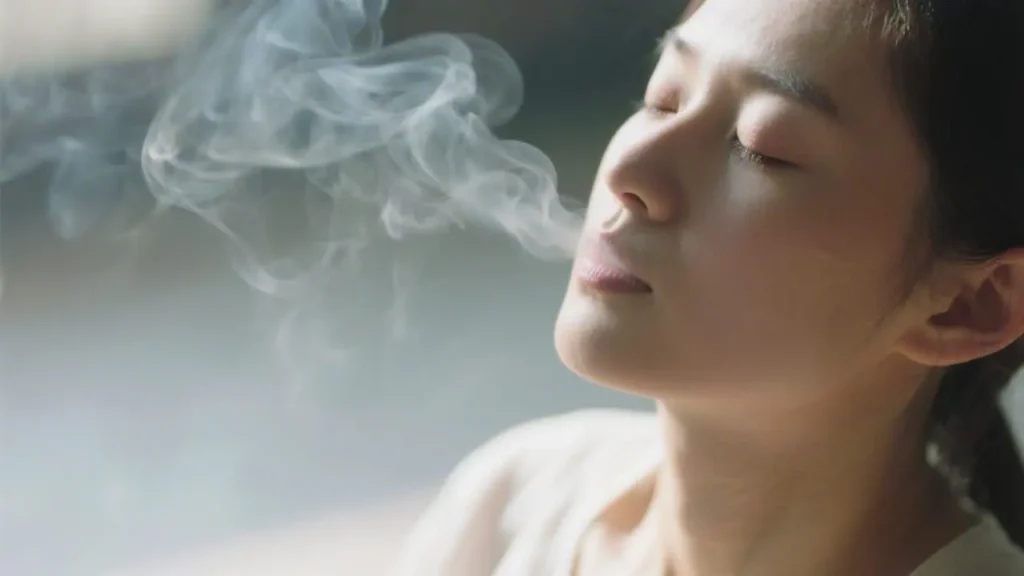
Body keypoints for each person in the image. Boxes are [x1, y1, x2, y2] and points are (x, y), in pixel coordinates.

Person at [394, 0, 1024, 574]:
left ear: (973, 303)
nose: (629, 171)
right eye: (662, 98)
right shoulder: (511, 512)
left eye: (761, 148)